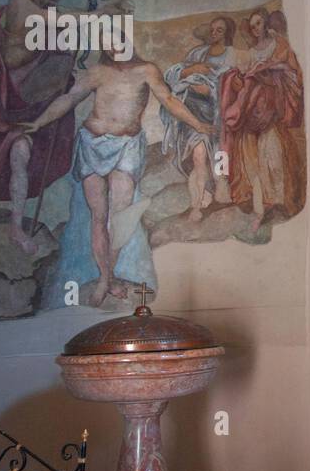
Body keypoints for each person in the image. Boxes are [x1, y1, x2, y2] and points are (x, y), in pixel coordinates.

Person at [23, 47, 214, 307]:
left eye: (117, 41)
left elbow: (169, 100)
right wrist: (39, 122)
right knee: (98, 217)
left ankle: (107, 277)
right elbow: (69, 99)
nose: (114, 49)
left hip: (127, 145)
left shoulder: (147, 70)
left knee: (121, 216)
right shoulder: (98, 72)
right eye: (107, 44)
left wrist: (198, 125)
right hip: (92, 143)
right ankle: (106, 278)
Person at [0, 0, 84, 254]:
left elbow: (58, 58)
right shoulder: (21, 2)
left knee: (20, 155)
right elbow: (48, 22)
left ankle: (16, 228)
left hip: (25, 104)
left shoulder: (53, 15)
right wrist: (96, 16)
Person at [219, 8, 306, 229]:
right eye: (253, 25)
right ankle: (260, 205)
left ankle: (275, 201)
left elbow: (293, 71)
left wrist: (267, 68)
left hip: (271, 109)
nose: (256, 28)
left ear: (266, 23)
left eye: (259, 23)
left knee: (273, 156)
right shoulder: (250, 51)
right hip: (250, 111)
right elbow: (243, 76)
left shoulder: (279, 46)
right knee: (251, 160)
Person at [162, 16, 236, 222]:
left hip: (217, 115)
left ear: (227, 33)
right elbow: (173, 75)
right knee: (198, 155)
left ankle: (216, 192)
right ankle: (196, 206)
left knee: (220, 157)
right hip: (192, 114)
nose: (214, 34)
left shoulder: (231, 55)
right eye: (212, 30)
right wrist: (191, 71)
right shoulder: (197, 53)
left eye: (219, 30)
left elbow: (234, 84)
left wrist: (211, 89)